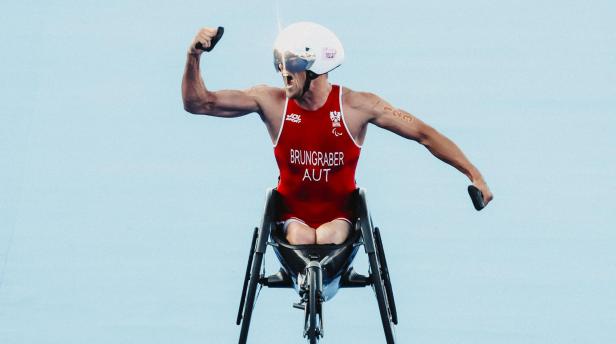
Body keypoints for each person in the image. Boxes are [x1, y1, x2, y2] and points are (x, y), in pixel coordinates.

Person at [182, 22, 493, 246]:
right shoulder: (270, 101)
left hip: (340, 219)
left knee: (328, 236)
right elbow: (198, 103)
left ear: (316, 67)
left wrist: (474, 174)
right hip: (291, 217)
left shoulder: (358, 106)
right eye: (279, 62)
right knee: (303, 236)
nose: (282, 71)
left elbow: (423, 134)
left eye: (291, 63)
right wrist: (193, 55)